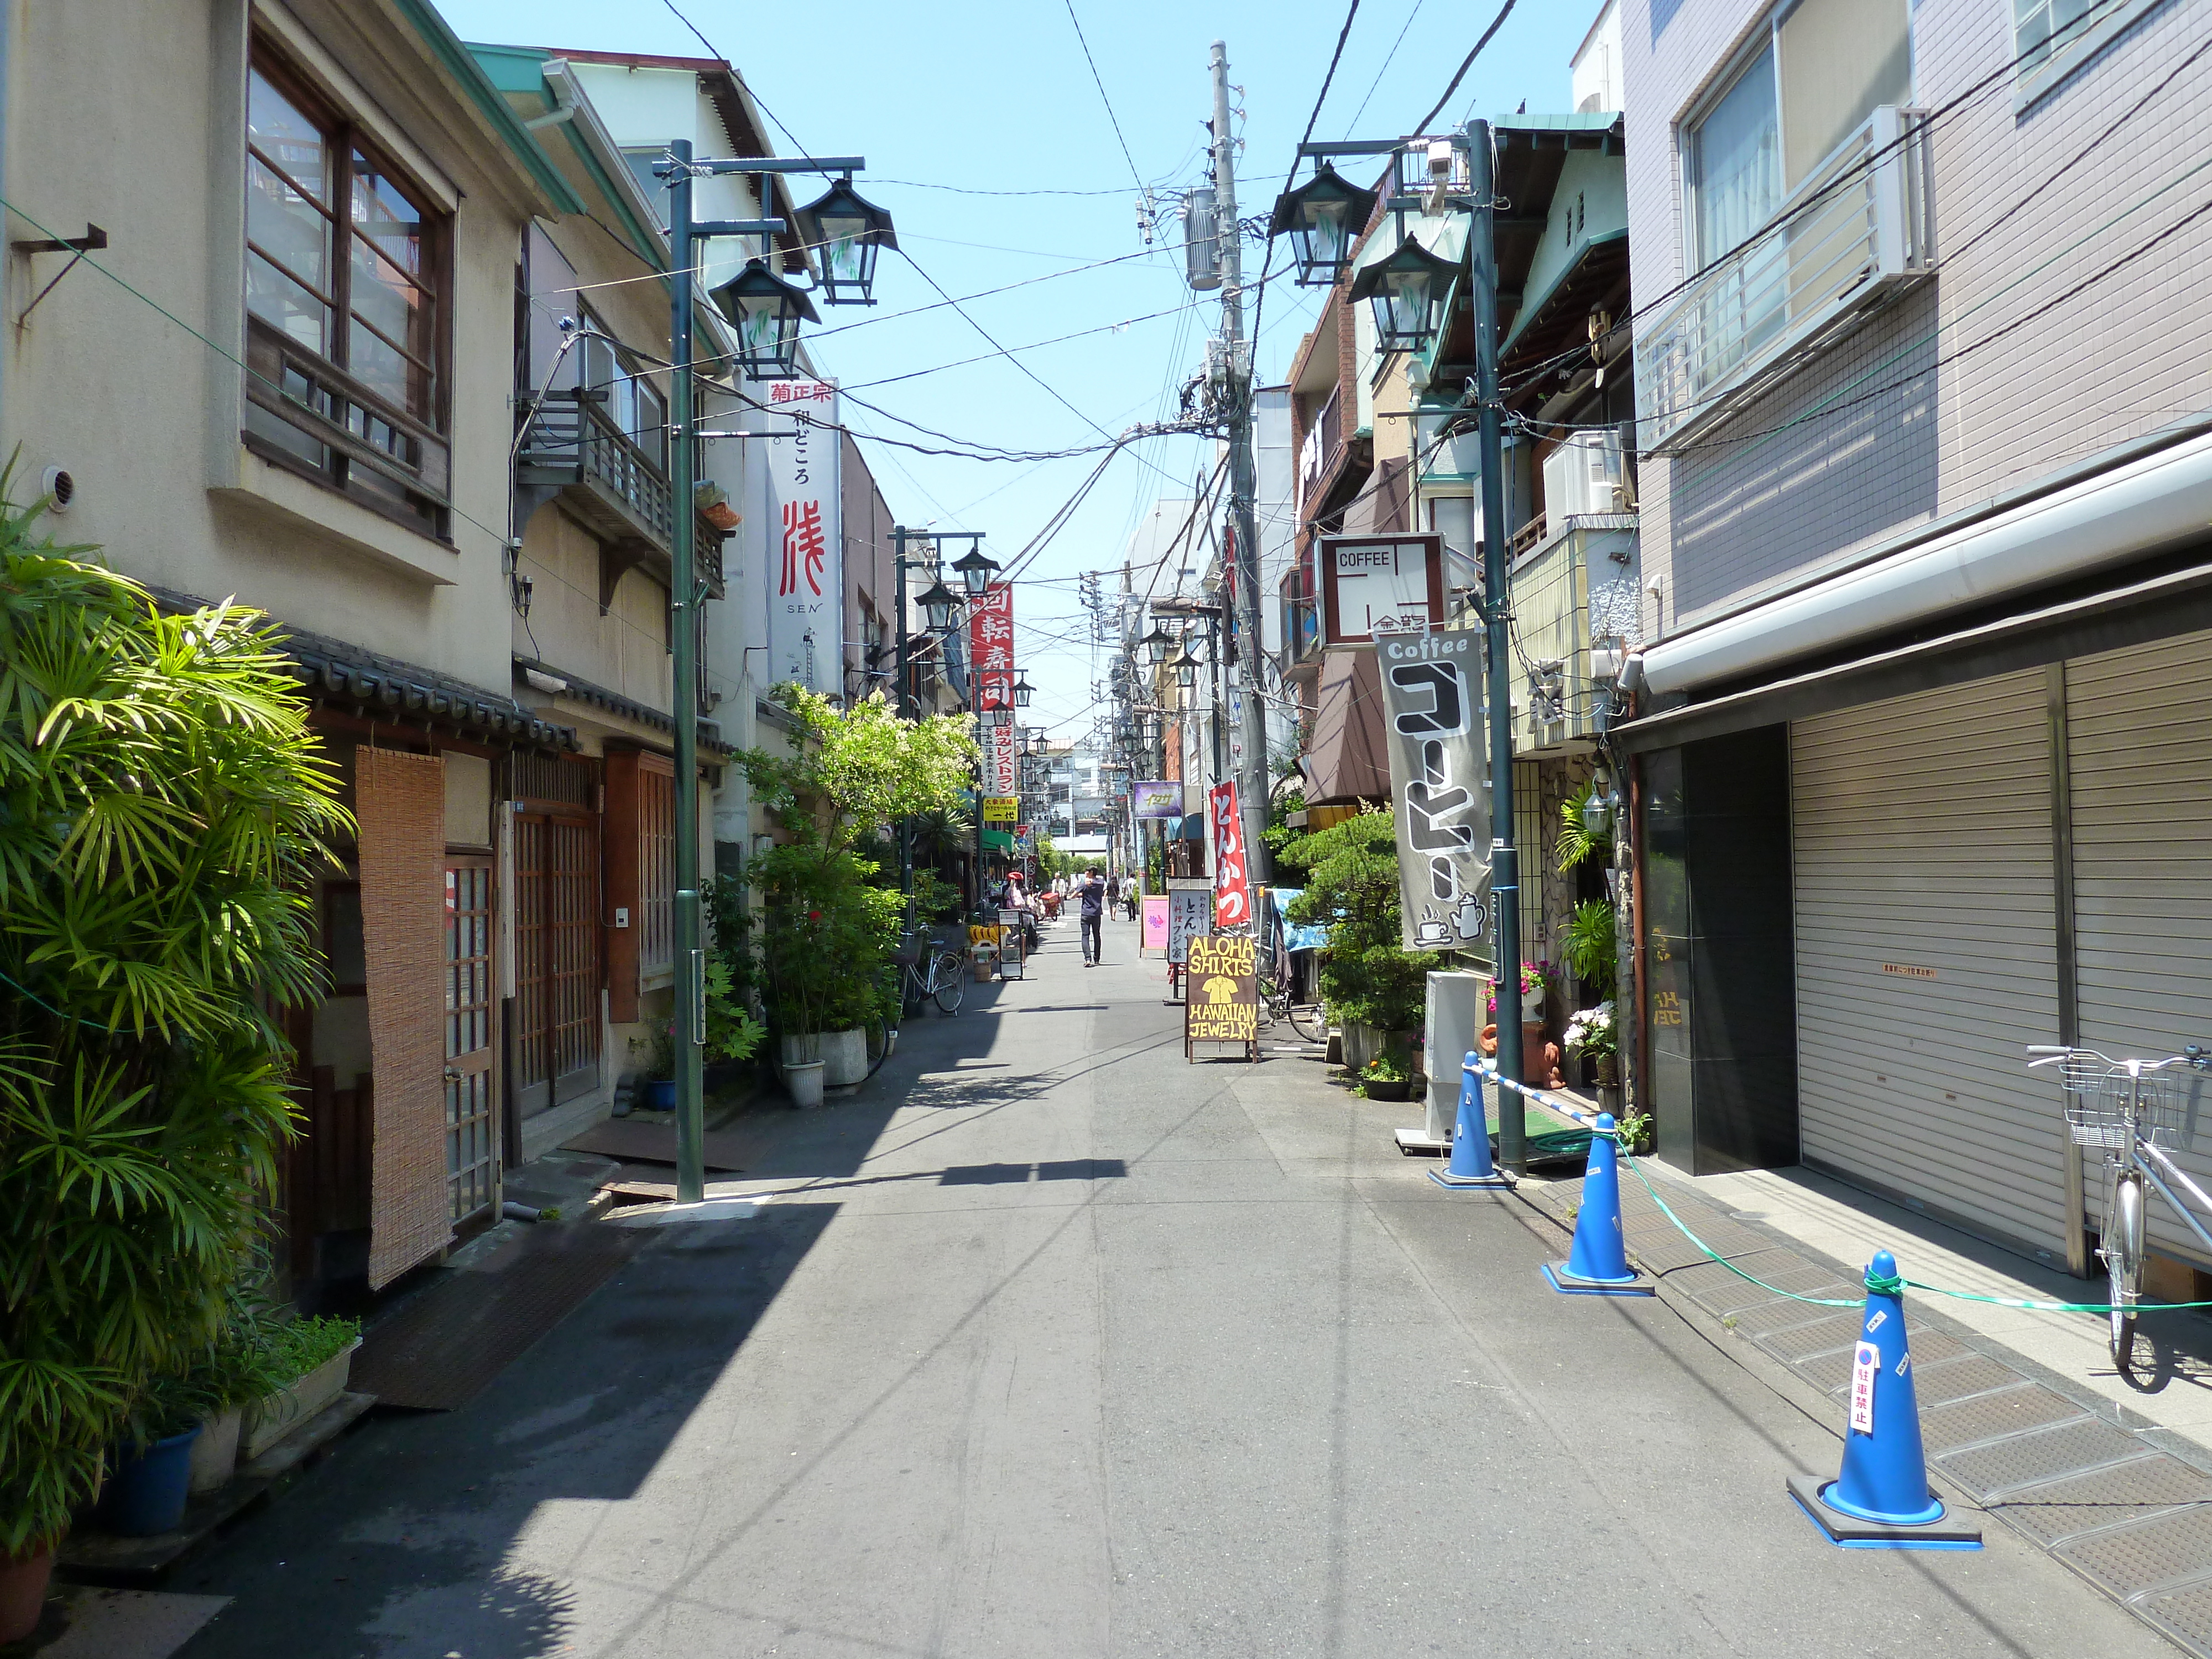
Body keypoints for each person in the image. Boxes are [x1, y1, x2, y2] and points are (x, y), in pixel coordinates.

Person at [1078, 869, 1106, 967]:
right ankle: (1097, 959)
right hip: (1097, 913)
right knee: (1097, 936)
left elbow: (1073, 895)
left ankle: (1088, 959)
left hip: (1086, 913)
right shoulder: (1100, 883)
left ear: (1091, 872)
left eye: (1087, 872)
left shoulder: (1084, 884)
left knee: (1085, 936)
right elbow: (1102, 882)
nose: (1085, 873)